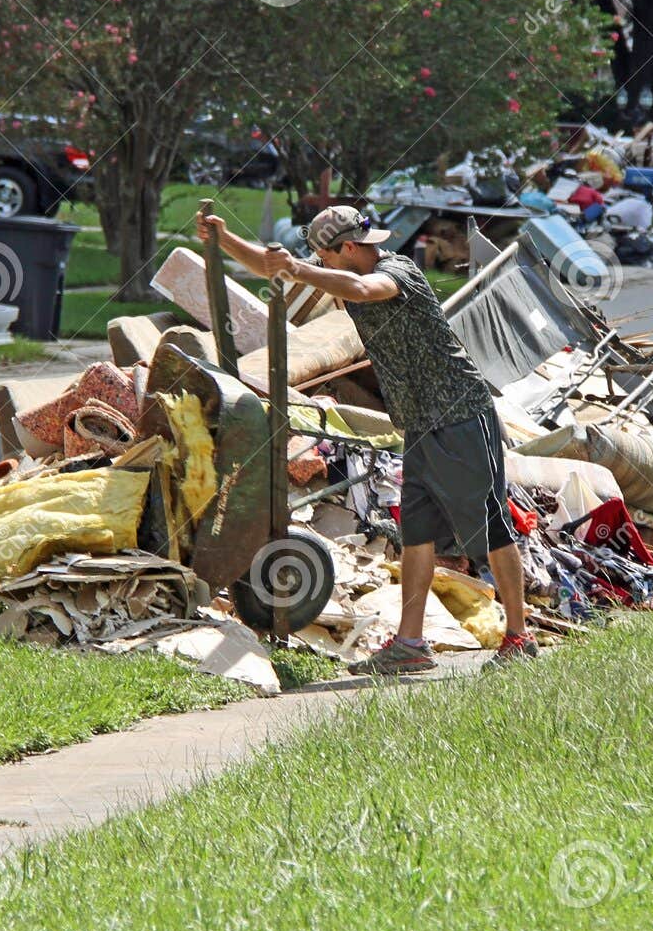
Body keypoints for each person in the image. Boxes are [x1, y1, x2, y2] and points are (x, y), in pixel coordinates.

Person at [196, 204, 537, 674]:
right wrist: (223, 238)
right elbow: (273, 266)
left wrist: (297, 267)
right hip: (419, 424)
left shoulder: (397, 271)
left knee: (490, 527)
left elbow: (359, 288)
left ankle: (519, 638)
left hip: (460, 416)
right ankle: (411, 644)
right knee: (416, 535)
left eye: (325, 255)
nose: (322, 264)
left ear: (350, 247)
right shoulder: (340, 269)